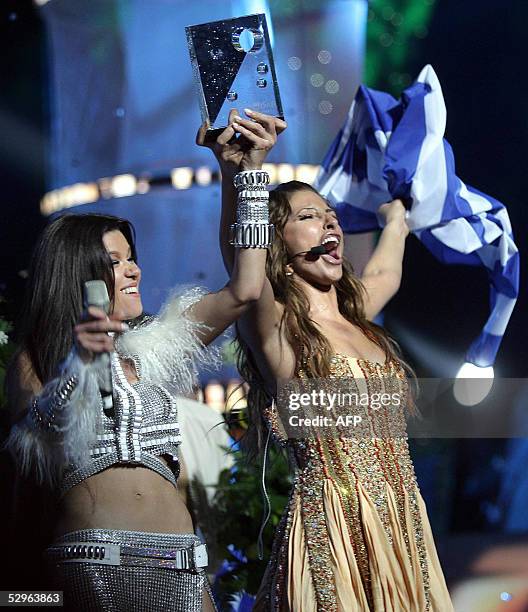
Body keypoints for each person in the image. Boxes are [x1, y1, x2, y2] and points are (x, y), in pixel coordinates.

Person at [5, 114, 280, 612]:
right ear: (78, 273)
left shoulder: (159, 346)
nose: (134, 269)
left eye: (131, 257)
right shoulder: (38, 356)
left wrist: (245, 175)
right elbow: (35, 432)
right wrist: (81, 364)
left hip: (184, 569)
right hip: (94, 571)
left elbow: (245, 287)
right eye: (115, 261)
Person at [200, 109, 454, 611]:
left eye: (330, 213)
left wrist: (397, 218)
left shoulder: (360, 322)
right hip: (331, 527)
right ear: (277, 240)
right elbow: (240, 264)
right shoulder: (279, 329)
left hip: (402, 522)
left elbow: (387, 273)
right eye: (309, 216)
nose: (329, 220)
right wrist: (241, 175)